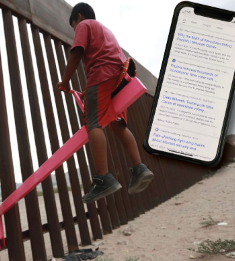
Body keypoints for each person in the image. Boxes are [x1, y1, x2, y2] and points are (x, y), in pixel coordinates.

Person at [56, 3, 154, 203]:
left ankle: (103, 178)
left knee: (93, 123)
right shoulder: (105, 30)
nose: (75, 30)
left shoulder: (85, 25)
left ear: (79, 17)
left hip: (101, 74)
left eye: (73, 25)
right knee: (118, 125)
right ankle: (139, 168)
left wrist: (65, 82)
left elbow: (75, 54)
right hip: (119, 79)